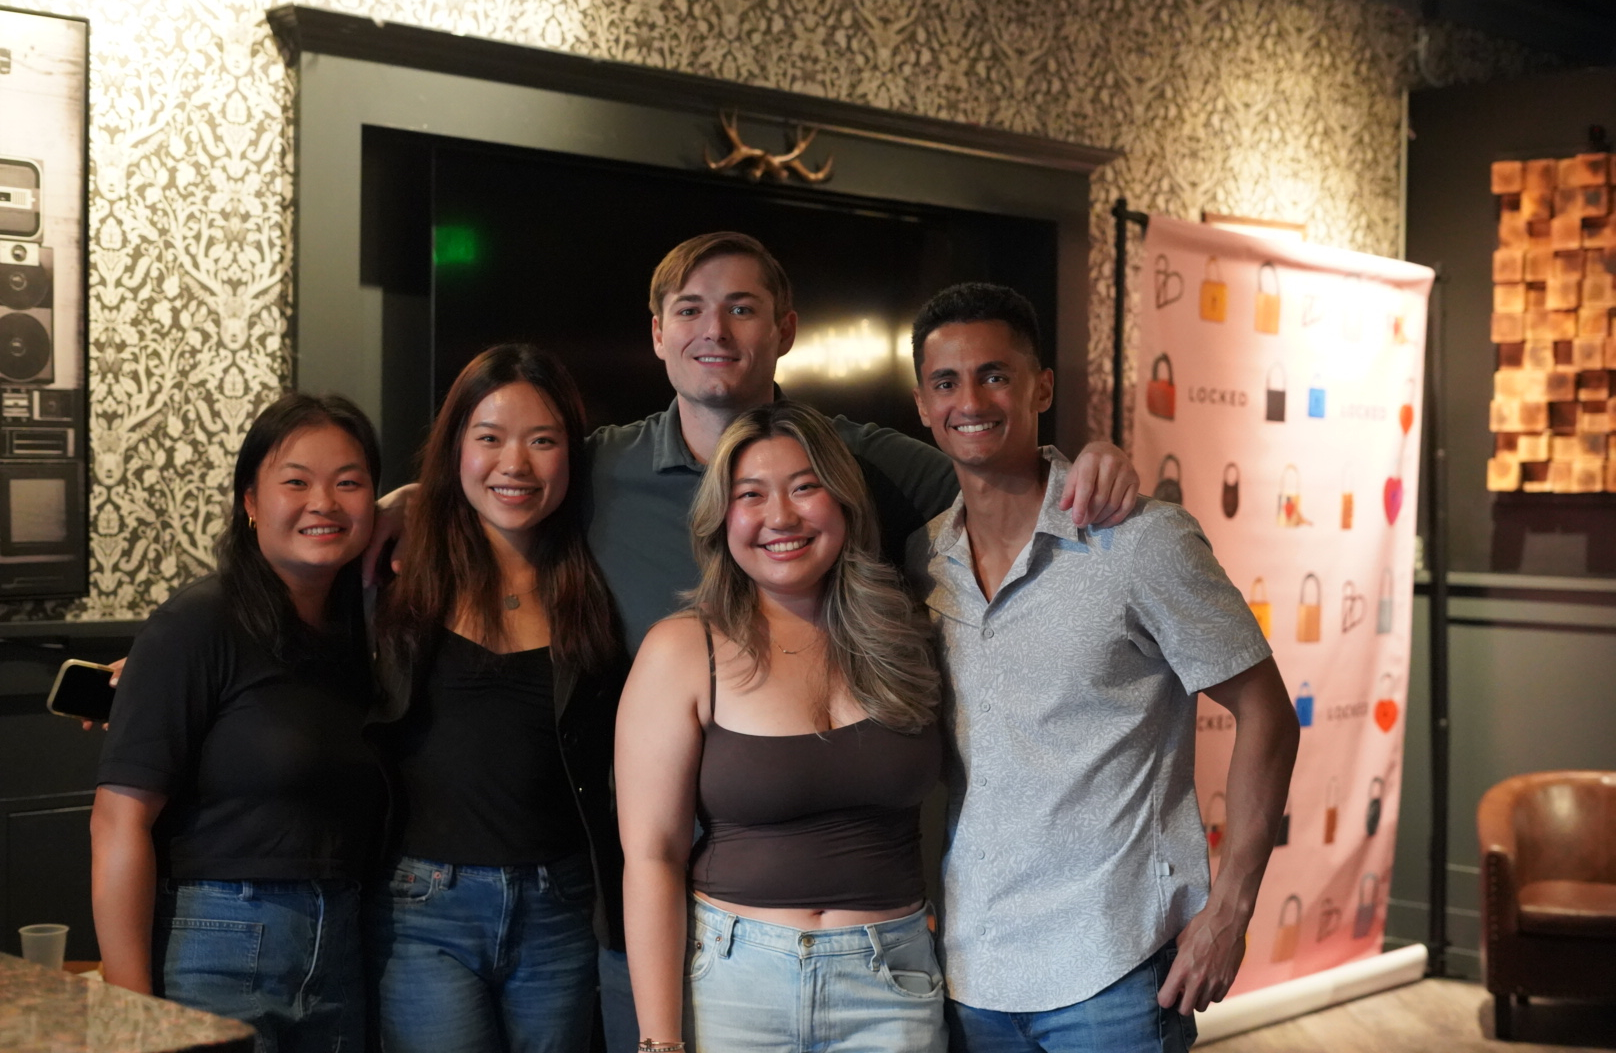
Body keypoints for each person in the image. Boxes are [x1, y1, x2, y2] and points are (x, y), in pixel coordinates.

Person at [368, 232, 1143, 1050]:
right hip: (659, 909)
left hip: (874, 933)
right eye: (691, 309)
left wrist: (1091, 462)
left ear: (787, 329)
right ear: (658, 333)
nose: (717, 330)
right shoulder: (598, 469)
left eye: (744, 308)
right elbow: (509, 471)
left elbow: (993, 462)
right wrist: (409, 502)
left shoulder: (862, 458)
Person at [905, 284, 1301, 1053]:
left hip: (1114, 975)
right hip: (967, 973)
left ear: (1042, 387)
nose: (971, 399)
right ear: (922, 405)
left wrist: (1230, 911)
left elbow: (1268, 712)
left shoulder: (1139, 543)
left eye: (996, 374)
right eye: (946, 382)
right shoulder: (923, 558)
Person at [617, 399, 947, 1053]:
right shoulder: (684, 650)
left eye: (805, 487)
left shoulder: (909, 632)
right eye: (752, 495)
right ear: (722, 517)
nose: (781, 517)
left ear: (844, 503)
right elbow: (651, 858)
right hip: (735, 985)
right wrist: (658, 1043)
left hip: (894, 982)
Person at [91, 393, 386, 1052]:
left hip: (341, 945)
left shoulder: (363, 632)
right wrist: (131, 1014)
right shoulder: (198, 623)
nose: (324, 503)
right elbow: (118, 823)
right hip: (219, 941)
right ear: (250, 501)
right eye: (295, 482)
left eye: (349, 483)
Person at [367, 344, 626, 1053]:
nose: (515, 464)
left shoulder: (599, 577)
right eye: (489, 438)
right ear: (456, 449)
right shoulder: (394, 575)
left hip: (563, 907)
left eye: (542, 441)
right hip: (424, 907)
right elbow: (277, 629)